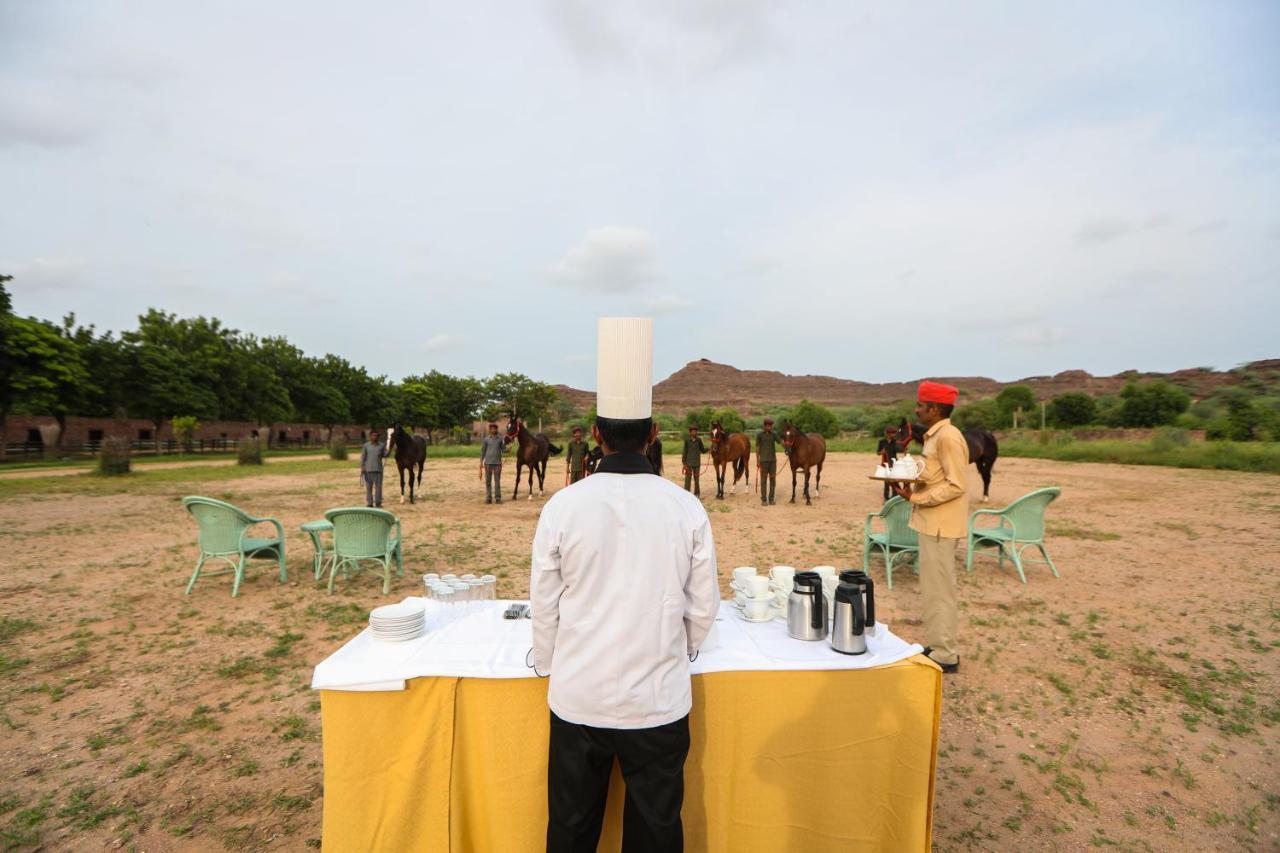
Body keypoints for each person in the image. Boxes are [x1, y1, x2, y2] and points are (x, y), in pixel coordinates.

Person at [531, 318, 719, 853]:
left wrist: (550, 661)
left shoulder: (563, 505)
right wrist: (676, 648)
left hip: (578, 696)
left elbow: (545, 603)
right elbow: (702, 610)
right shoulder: (685, 506)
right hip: (657, 700)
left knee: (570, 830)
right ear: (655, 434)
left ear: (595, 435)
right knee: (656, 831)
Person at [891, 381, 969, 674]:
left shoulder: (948, 437)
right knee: (933, 589)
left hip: (940, 526)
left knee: (940, 591)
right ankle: (938, 647)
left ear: (934, 409)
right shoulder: (936, 436)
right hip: (933, 525)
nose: (917, 409)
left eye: (921, 406)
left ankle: (946, 654)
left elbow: (956, 485)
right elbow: (936, 474)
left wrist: (917, 497)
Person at [755, 418, 784, 506]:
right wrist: (758, 461)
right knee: (763, 481)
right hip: (763, 461)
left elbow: (780, 442)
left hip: (772, 461)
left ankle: (771, 499)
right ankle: (764, 500)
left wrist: (787, 446)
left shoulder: (774, 434)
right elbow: (757, 448)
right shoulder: (759, 435)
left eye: (770, 426)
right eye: (767, 425)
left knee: (772, 480)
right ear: (764, 426)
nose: (769, 427)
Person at [359, 429, 390, 507]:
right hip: (368, 470)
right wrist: (362, 467)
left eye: (376, 435)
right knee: (369, 488)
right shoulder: (366, 445)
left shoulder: (382, 445)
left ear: (378, 437)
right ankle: (369, 503)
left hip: (379, 470)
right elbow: (363, 457)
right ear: (370, 436)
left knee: (378, 488)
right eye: (373, 435)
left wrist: (389, 449)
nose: (375, 437)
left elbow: (385, 455)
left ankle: (378, 503)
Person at [479, 422, 506, 504]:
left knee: (497, 481)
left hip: (498, 464)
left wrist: (508, 449)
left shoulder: (500, 439)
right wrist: (481, 462)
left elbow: (503, 450)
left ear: (496, 429)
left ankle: (498, 498)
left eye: (495, 428)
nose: (493, 429)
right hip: (487, 464)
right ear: (490, 430)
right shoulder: (486, 439)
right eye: (492, 428)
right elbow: (483, 451)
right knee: (488, 481)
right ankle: (488, 498)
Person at [681, 425, 706, 496]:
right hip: (688, 463)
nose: (695, 433)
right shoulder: (687, 441)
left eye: (696, 431)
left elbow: (703, 450)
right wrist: (684, 463)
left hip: (697, 463)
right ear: (690, 432)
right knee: (687, 480)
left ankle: (697, 494)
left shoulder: (699, 440)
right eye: (693, 431)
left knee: (697, 480)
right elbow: (684, 452)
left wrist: (709, 448)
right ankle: (686, 494)